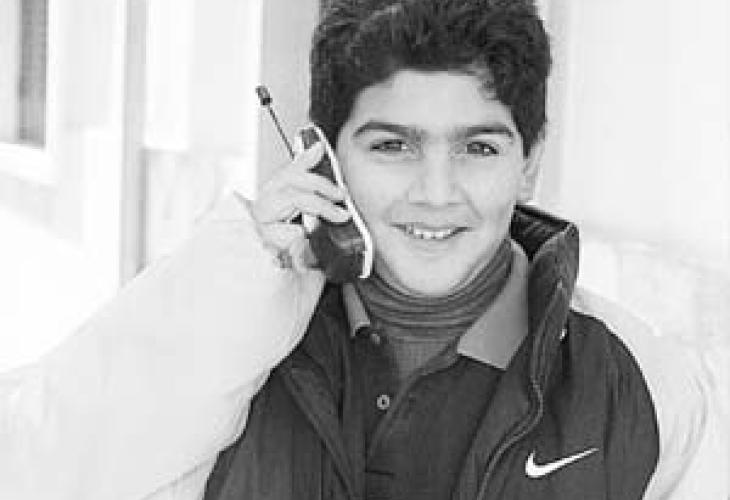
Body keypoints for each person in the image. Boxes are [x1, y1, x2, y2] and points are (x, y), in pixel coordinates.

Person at [0, 0, 726, 499]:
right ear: (322, 155)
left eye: (477, 147)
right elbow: (34, 472)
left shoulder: (644, 384)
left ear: (529, 163)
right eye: (392, 146)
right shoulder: (232, 342)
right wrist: (232, 282)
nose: (436, 193)